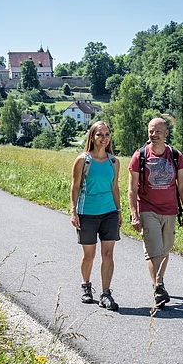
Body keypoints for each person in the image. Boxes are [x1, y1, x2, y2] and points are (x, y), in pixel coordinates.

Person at [128, 118, 183, 308]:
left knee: (164, 250)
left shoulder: (175, 155)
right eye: (150, 131)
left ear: (166, 133)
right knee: (154, 250)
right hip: (148, 209)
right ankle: (158, 286)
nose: (153, 134)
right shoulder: (139, 156)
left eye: (157, 131)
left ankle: (159, 285)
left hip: (170, 209)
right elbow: (132, 189)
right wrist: (134, 214)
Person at [70, 121, 122, 311]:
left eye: (107, 134)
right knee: (89, 256)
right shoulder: (83, 160)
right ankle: (86, 286)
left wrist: (119, 211)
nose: (104, 138)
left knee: (108, 254)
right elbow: (75, 186)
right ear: (92, 137)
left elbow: (115, 188)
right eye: (99, 135)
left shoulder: (114, 162)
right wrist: (73, 211)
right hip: (87, 213)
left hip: (109, 212)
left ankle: (106, 293)